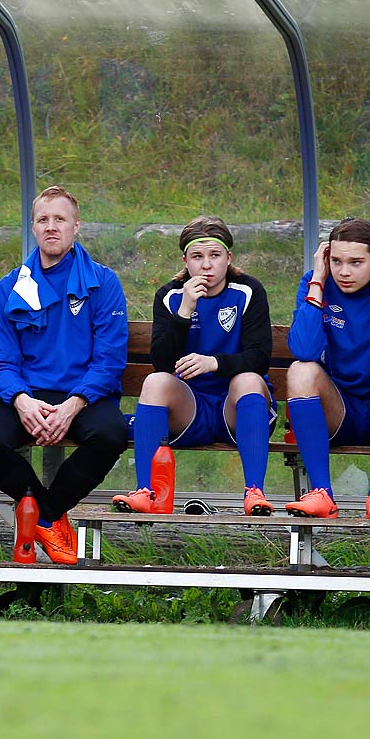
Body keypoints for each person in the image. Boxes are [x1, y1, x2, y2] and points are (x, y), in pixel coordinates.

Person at [0, 185, 128, 564]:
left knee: (112, 434)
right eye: (43, 219)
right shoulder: (12, 286)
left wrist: (73, 406)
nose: (51, 226)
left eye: (60, 219)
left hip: (84, 396)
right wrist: (21, 401)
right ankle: (50, 518)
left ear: (76, 226)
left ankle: (44, 514)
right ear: (34, 228)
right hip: (30, 396)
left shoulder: (103, 283)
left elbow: (109, 360)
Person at [114, 216, 275, 516]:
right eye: (197, 257)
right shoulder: (171, 296)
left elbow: (259, 356)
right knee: (154, 383)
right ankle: (146, 491)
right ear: (185, 261)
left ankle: (254, 492)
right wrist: (185, 311)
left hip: (236, 411)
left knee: (250, 380)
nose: (206, 265)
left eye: (214, 256)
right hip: (190, 411)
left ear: (228, 258)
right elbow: (161, 363)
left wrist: (214, 362)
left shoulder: (249, 291)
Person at [283, 218, 370, 520]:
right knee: (300, 370)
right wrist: (319, 280)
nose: (344, 271)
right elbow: (304, 349)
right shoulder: (316, 281)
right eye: (336, 261)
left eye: (356, 262)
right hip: (340, 410)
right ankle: (321, 493)